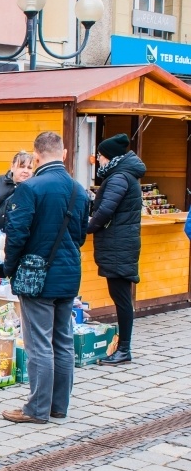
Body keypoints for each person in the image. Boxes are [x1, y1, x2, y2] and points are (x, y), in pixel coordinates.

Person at [2, 131, 89, 424]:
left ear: (37, 156)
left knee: (39, 342)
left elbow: (17, 234)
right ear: (63, 153)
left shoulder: (30, 188)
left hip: (37, 276)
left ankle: (37, 410)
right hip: (69, 274)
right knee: (63, 340)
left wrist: (10, 267)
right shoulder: (79, 190)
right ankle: (58, 406)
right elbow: (80, 236)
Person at [88, 133, 146, 366]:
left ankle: (124, 349)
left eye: (100, 157)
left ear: (108, 157)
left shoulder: (119, 177)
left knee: (121, 298)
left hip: (119, 246)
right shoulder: (122, 175)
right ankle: (123, 347)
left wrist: (87, 227)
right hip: (120, 245)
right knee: (121, 297)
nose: (98, 161)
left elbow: (104, 212)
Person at [0, 151, 34, 277]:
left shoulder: (33, 187)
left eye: (29, 168)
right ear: (12, 167)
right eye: (22, 166)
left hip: (18, 245)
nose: (26, 171)